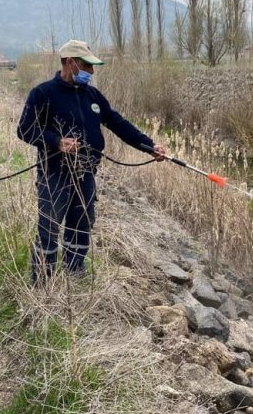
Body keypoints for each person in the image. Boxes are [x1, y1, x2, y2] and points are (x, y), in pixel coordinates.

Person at [17, 39, 166, 285]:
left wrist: (149, 147)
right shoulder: (42, 94)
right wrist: (56, 141)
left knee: (82, 223)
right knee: (49, 228)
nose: (92, 72)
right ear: (71, 63)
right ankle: (43, 282)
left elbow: (118, 124)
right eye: (87, 67)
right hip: (55, 175)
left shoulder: (92, 95)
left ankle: (75, 271)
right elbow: (24, 130)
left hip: (86, 173)